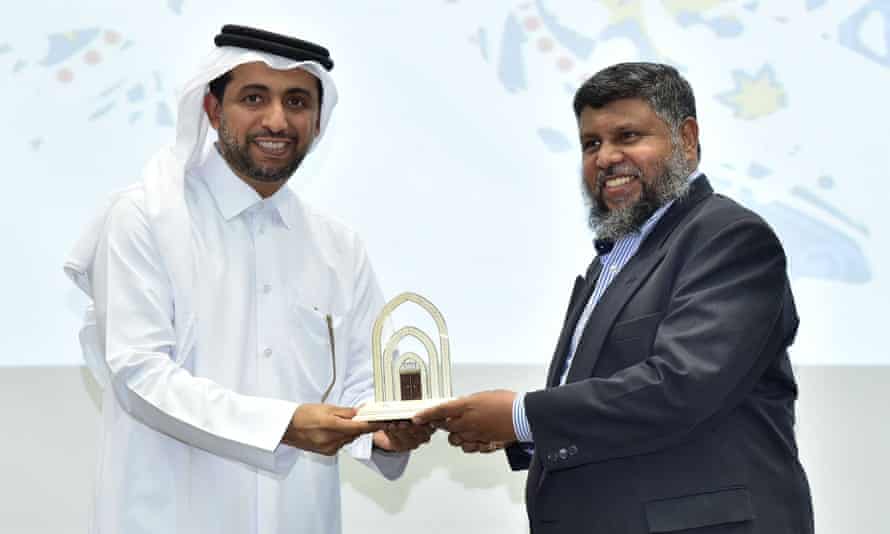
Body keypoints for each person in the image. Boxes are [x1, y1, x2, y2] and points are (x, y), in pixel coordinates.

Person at [415, 62, 814, 533]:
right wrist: (515, 433)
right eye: (591, 143)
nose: (605, 158)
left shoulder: (727, 237)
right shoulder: (615, 257)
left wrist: (522, 417)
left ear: (686, 139)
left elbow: (678, 386)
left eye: (627, 136)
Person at [64, 25, 432, 534]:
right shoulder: (144, 218)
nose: (277, 120)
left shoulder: (338, 248)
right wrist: (283, 425)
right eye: (254, 98)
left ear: (318, 120)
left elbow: (362, 382)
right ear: (213, 111)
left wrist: (386, 433)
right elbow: (139, 375)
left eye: (298, 101)